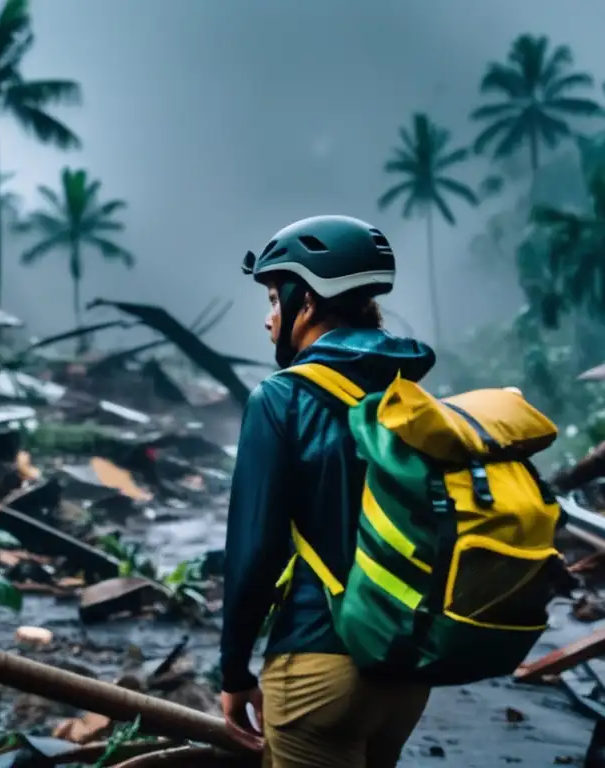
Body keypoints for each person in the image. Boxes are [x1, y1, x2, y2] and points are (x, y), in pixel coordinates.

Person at [220, 215, 436, 767]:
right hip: (407, 667)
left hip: (321, 659)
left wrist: (234, 670)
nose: (270, 320)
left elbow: (255, 552)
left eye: (274, 298)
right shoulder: (407, 393)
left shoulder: (281, 398)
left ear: (307, 303)